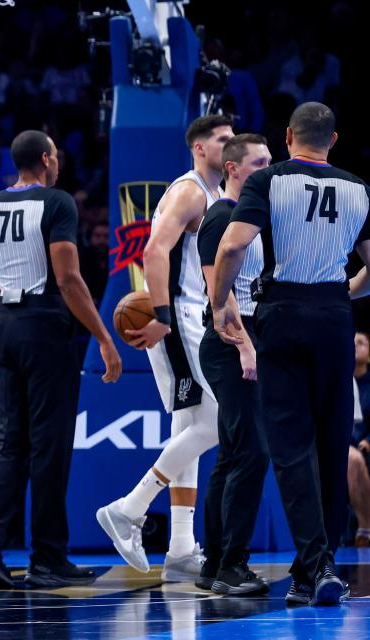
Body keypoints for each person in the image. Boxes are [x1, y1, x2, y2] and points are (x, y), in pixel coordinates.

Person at [217, 102, 370, 605]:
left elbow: (233, 248)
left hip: (281, 312)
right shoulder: (357, 188)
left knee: (289, 447)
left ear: (288, 136)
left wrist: (220, 305)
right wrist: (345, 289)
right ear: (334, 140)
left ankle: (317, 564)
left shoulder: (268, 181)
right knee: (331, 443)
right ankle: (312, 573)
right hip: (333, 318)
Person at [0, 130, 121, 589]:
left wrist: (6, 323)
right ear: (48, 159)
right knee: (49, 446)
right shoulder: (57, 202)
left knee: (9, 441)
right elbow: (69, 279)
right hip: (45, 325)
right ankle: (47, 557)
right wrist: (104, 339)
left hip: (5, 325)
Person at [97, 115, 233, 582]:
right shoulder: (189, 190)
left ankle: (178, 548)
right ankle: (128, 508)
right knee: (219, 420)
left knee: (189, 427)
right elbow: (153, 251)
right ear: (199, 148)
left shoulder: (215, 194)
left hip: (192, 318)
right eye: (223, 140)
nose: (230, 146)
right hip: (179, 320)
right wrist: (160, 315)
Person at [195, 133, 271, 595]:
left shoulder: (250, 218)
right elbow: (218, 297)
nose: (268, 169)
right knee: (253, 452)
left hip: (244, 340)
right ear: (234, 169)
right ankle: (231, 566)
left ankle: (215, 564)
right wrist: (245, 347)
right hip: (228, 344)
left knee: (231, 454)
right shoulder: (219, 218)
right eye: (259, 163)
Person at [349, 332, 370, 548]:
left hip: (363, 446)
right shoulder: (341, 376)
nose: (356, 345)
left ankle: (365, 528)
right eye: (352, 342)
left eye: (361, 342)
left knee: (355, 460)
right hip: (343, 444)